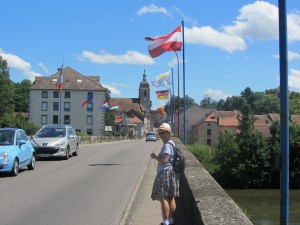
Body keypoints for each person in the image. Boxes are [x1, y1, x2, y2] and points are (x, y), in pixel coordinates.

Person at [150, 123, 179, 225]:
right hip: (170, 173)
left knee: (163, 199)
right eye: (160, 133)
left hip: (165, 173)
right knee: (170, 197)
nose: (161, 135)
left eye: (164, 133)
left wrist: (155, 156)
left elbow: (165, 160)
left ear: (169, 133)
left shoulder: (167, 145)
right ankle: (171, 220)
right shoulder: (171, 143)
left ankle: (166, 222)